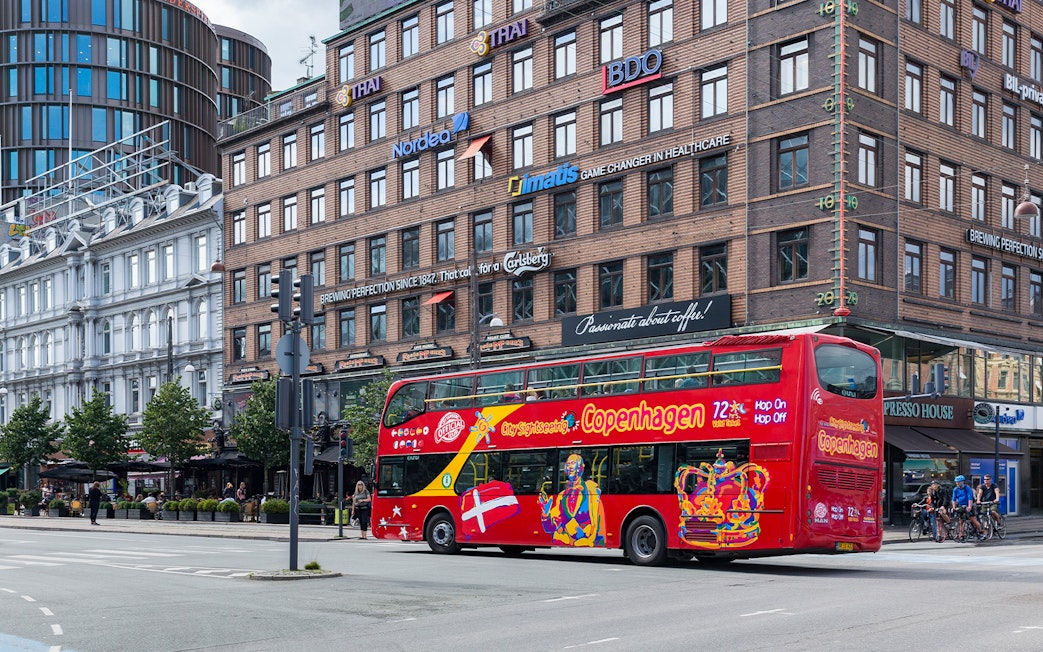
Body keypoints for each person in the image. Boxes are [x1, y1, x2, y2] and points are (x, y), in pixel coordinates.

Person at [951, 475, 984, 540]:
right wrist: (954, 507)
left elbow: (970, 498)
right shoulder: (955, 489)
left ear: (962, 482)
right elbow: (953, 499)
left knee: (973, 520)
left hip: (968, 505)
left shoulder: (967, 488)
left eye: (958, 482)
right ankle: (961, 535)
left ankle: (981, 532)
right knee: (961, 521)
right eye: (956, 482)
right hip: (961, 506)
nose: (957, 483)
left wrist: (969, 506)